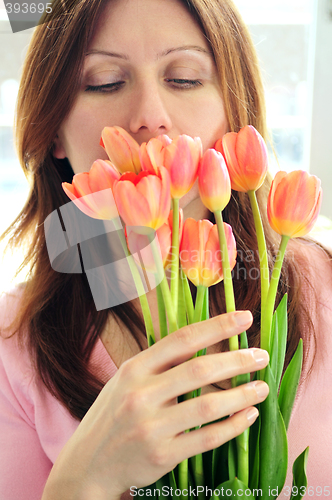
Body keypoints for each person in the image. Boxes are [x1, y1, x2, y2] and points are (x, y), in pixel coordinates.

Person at [0, 0, 331, 498]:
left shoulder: (322, 287)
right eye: (106, 82)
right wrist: (80, 480)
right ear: (54, 135)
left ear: (233, 109)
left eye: (184, 78)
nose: (151, 119)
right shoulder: (13, 348)